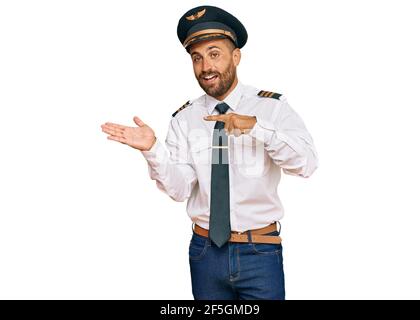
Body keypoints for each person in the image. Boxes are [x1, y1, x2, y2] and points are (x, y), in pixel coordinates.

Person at [100, 5, 318, 300]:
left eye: (214, 54)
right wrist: (152, 150)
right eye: (197, 58)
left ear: (236, 56)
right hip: (204, 253)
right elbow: (179, 190)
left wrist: (257, 128)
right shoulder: (184, 118)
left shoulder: (272, 108)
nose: (205, 67)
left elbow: (305, 165)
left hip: (260, 251)